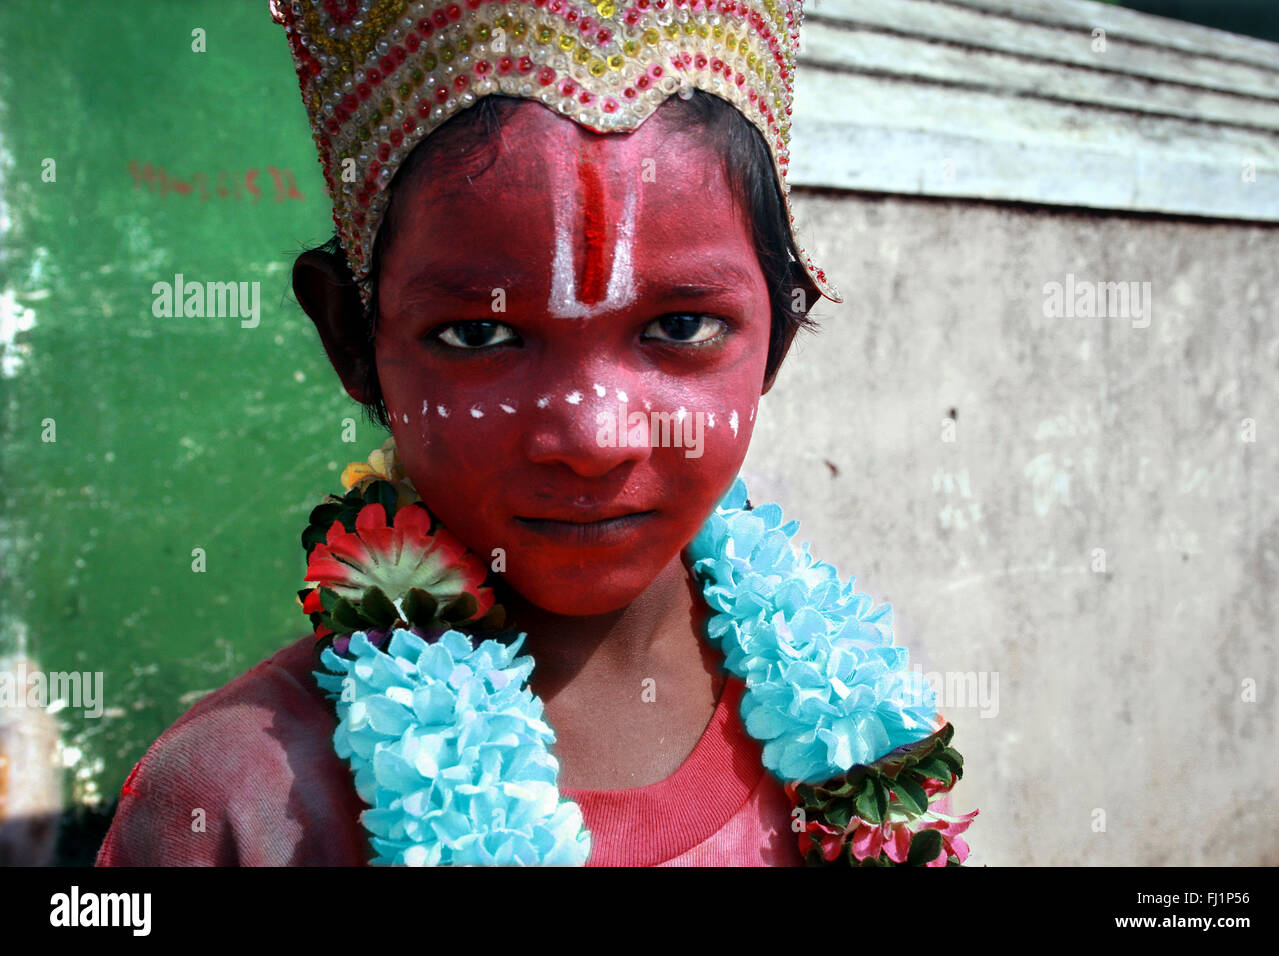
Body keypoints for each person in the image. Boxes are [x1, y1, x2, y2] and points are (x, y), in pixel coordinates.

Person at [96, 0, 975, 867]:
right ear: (350, 339)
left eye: (679, 328)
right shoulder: (234, 811)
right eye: (479, 334)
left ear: (783, 326)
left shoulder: (860, 723)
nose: (593, 439)